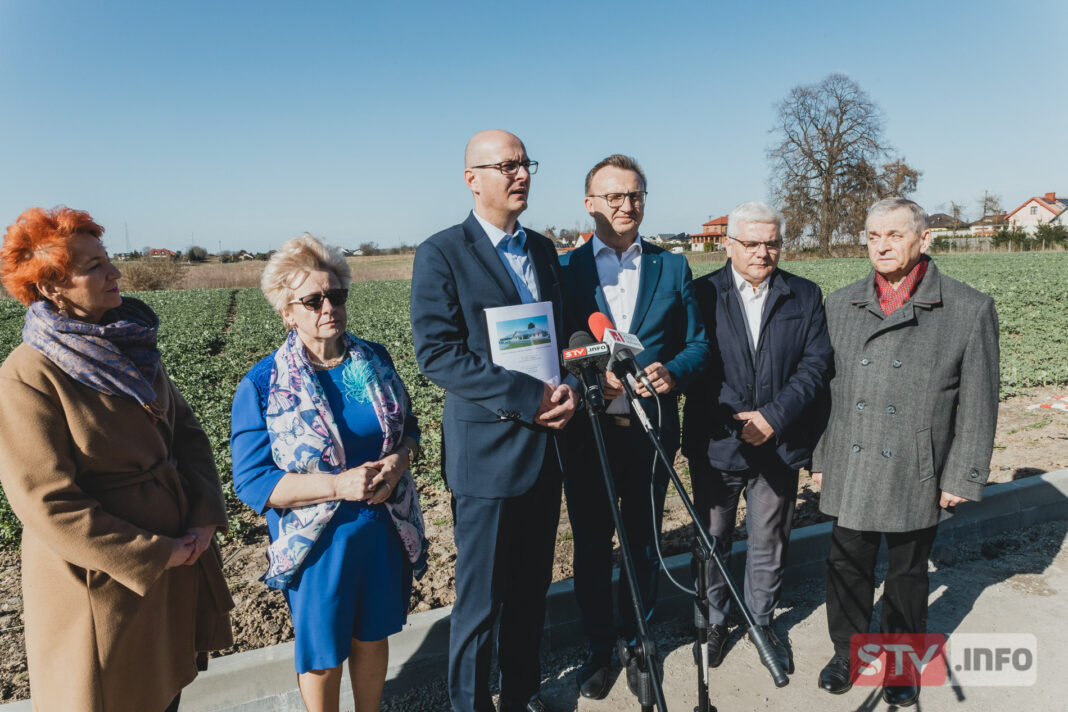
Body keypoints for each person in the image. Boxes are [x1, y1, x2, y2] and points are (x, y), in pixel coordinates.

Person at [0, 206, 233, 712]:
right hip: (105, 587)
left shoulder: (130, 346)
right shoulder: (29, 375)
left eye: (108, 260)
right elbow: (48, 504)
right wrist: (154, 554)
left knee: (164, 693)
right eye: (93, 268)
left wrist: (201, 520)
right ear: (49, 288)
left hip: (173, 566)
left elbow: (187, 435)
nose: (115, 274)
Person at [410, 129, 578, 712]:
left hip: (547, 447)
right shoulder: (442, 253)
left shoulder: (542, 250)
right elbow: (438, 352)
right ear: (471, 179)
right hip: (487, 456)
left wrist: (571, 387)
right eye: (505, 165)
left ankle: (522, 697)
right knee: (480, 603)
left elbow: (567, 336)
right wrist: (527, 396)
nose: (520, 174)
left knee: (531, 592)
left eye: (525, 163)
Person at [811, 197, 999, 707]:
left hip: (917, 466)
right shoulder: (840, 303)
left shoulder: (967, 307)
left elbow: (979, 403)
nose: (882, 245)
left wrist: (963, 474)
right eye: (873, 236)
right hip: (852, 460)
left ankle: (899, 662)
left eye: (894, 234)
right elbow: (828, 392)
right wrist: (822, 459)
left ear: (924, 239)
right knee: (846, 563)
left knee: (908, 572)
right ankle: (846, 653)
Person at [230, 234, 427, 712]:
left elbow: (410, 429)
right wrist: (338, 485)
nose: (328, 308)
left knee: (372, 635)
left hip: (381, 527)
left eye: (336, 295)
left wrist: (397, 464)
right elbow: (254, 481)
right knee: (322, 653)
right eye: (312, 300)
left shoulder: (374, 359)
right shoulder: (262, 384)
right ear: (287, 311)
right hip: (318, 541)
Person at [559, 154, 710, 699]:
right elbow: (551, 349)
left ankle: (640, 642)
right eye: (615, 196)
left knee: (644, 542)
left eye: (636, 195)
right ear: (590, 203)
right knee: (594, 545)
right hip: (588, 434)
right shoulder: (565, 270)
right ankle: (600, 649)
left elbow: (697, 343)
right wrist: (592, 380)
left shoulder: (672, 267)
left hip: (652, 432)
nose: (628, 205)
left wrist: (671, 373)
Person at [681, 201, 832, 677]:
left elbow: (816, 365)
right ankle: (714, 623)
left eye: (772, 243)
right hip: (716, 441)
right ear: (728, 245)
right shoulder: (701, 294)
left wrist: (773, 417)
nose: (763, 252)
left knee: (770, 538)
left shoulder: (803, 295)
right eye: (752, 243)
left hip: (778, 442)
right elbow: (691, 360)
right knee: (713, 539)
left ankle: (762, 621)